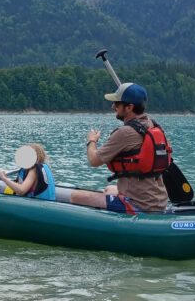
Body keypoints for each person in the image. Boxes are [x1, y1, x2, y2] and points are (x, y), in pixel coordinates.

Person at [70, 83, 171, 214]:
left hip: (139, 205)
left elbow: (94, 160)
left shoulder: (125, 133)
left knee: (75, 196)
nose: (113, 107)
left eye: (117, 104)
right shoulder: (153, 126)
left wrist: (91, 141)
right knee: (109, 189)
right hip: (157, 201)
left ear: (129, 107)